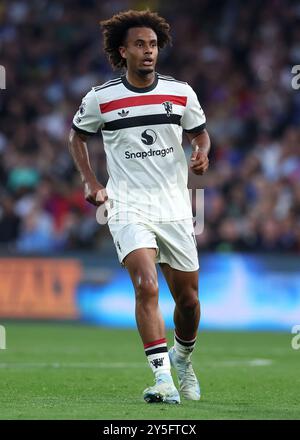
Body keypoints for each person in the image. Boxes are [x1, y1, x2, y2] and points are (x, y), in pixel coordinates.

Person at [69, 9, 210, 404]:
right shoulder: (101, 98)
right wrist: (91, 180)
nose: (148, 52)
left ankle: (183, 359)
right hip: (127, 205)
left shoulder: (181, 92)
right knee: (146, 286)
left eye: (152, 45)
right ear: (122, 51)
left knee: (189, 301)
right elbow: (76, 137)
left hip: (176, 207)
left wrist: (201, 153)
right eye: (139, 45)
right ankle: (163, 379)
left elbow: (200, 134)